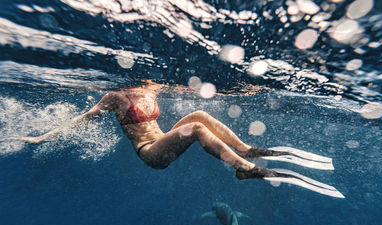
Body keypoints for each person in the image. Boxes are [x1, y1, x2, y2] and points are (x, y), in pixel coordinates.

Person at [1, 80, 306, 180]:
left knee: (198, 114)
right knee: (197, 127)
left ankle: (244, 150)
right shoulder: (114, 98)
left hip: (164, 139)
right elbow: (82, 120)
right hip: (151, 154)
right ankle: (244, 169)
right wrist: (41, 137)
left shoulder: (152, 89)